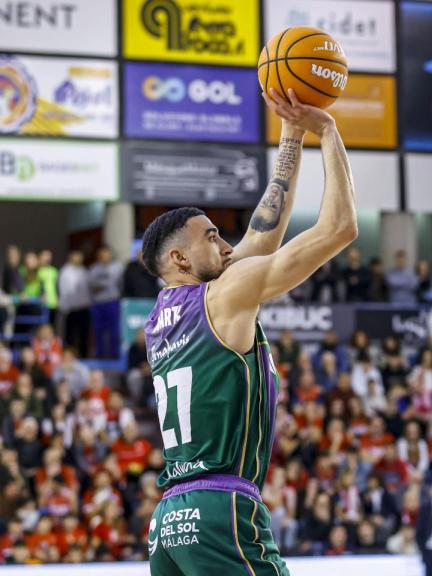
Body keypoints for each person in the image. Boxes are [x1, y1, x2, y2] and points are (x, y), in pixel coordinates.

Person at [142, 87, 356, 576]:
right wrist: (326, 131)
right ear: (179, 259)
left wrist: (290, 132)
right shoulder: (225, 293)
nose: (225, 243)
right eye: (211, 236)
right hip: (222, 512)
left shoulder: (161, 316)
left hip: (170, 521)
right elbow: (341, 227)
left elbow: (263, 234)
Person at [88, 246, 124, 359]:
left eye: (106, 253)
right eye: (102, 254)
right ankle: (100, 354)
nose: (105, 256)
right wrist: (99, 288)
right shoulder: (94, 269)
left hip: (112, 302)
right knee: (98, 330)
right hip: (98, 303)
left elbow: (122, 285)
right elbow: (90, 287)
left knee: (114, 330)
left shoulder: (118, 267)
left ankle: (114, 354)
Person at [58, 250, 91, 357]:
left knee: (84, 334)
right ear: (71, 257)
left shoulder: (84, 271)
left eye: (80, 256)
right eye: (76, 256)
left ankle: (84, 355)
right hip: (71, 309)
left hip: (84, 308)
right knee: (70, 335)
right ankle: (69, 355)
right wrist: (65, 308)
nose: (78, 258)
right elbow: (63, 290)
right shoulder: (65, 271)